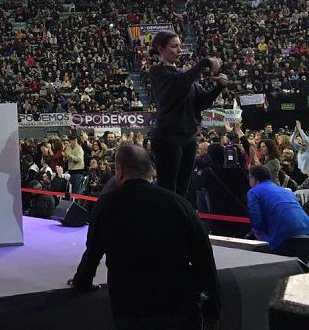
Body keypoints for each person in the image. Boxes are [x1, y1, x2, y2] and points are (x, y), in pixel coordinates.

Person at [69, 145, 220, 330]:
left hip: (131, 307)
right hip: (179, 306)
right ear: (151, 171)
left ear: (120, 170)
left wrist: (82, 281)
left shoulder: (107, 205)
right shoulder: (179, 204)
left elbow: (92, 252)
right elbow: (204, 258)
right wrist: (212, 309)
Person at [148, 31, 227, 197]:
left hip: (188, 136)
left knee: (183, 187)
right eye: (174, 46)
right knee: (168, 188)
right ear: (161, 49)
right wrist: (204, 62)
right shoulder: (157, 72)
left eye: (180, 46)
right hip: (168, 137)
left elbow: (203, 102)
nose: (179, 50)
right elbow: (179, 85)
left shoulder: (184, 76)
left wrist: (219, 87)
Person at [247, 165, 309, 263]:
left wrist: (259, 236)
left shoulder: (254, 192)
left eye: (249, 177)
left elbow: (256, 220)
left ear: (254, 179)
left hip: (284, 238)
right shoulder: (286, 191)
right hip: (306, 234)